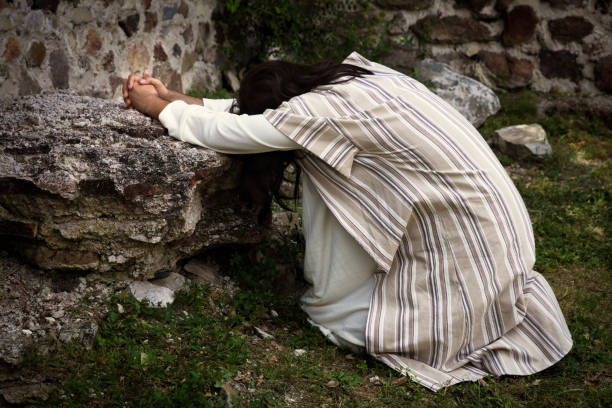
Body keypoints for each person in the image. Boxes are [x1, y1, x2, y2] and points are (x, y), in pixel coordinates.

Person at [122, 52, 572, 391]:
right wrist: (180, 98)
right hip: (499, 239)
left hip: (468, 249)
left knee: (331, 316)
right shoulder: (358, 78)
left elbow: (238, 132)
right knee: (327, 163)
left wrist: (156, 108)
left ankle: (442, 317)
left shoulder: (322, 116)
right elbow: (260, 119)